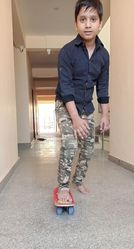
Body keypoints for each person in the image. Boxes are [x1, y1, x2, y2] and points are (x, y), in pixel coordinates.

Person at [55, 0, 110, 203]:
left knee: (88, 147)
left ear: (100, 23)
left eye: (93, 19)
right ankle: (62, 185)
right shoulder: (67, 52)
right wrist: (75, 119)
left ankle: (78, 180)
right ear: (75, 23)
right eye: (83, 19)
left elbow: (102, 87)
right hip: (65, 104)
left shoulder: (104, 56)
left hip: (86, 106)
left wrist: (105, 114)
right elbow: (66, 88)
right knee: (70, 143)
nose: (88, 24)